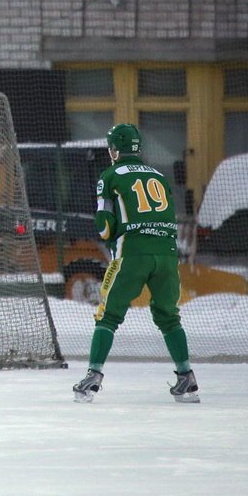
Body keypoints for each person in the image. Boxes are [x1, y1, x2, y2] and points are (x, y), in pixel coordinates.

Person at [73, 124, 197, 403]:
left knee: (108, 315)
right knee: (169, 316)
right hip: (166, 253)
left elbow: (104, 226)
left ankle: (93, 377)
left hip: (132, 253)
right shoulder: (159, 176)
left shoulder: (109, 176)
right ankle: (186, 377)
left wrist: (112, 237)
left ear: (115, 150)